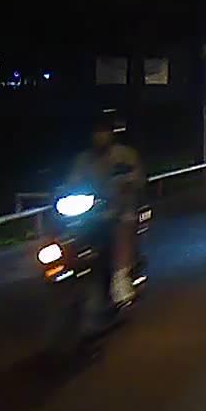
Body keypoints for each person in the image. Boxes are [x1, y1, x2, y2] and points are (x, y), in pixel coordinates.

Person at [67, 109, 144, 305]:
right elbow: (72, 182)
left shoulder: (124, 155)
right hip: (92, 211)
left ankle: (121, 276)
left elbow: (137, 177)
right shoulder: (83, 160)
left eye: (103, 131)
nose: (99, 136)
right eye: (96, 132)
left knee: (123, 226)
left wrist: (125, 182)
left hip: (120, 208)